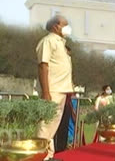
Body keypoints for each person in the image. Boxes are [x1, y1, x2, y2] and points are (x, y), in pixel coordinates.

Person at [36, 14, 74, 161]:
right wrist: (46, 91)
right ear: (55, 26)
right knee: (45, 124)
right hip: (51, 89)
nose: (67, 27)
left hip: (62, 89)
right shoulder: (48, 41)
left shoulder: (61, 44)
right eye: (64, 24)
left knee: (53, 126)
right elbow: (43, 66)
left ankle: (48, 155)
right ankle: (39, 156)